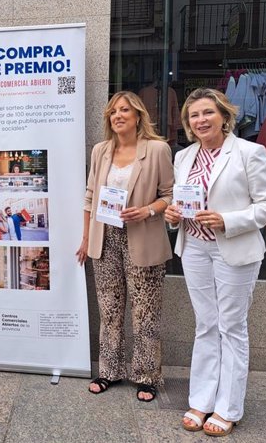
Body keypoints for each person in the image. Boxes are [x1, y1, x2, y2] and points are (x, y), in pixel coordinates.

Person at [164, 88, 266, 436]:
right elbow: (182, 203)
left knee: (231, 326)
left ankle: (228, 407)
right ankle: (200, 399)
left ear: (224, 116)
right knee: (205, 324)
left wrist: (228, 220)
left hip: (234, 249)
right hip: (195, 248)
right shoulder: (183, 157)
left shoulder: (249, 152)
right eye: (194, 115)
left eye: (207, 113)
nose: (200, 120)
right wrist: (172, 215)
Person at [75, 90, 174, 402]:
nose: (118, 116)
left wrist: (147, 210)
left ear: (138, 116)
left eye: (125, 111)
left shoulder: (158, 150)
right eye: (113, 112)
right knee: (109, 311)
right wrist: (85, 237)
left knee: (145, 312)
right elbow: (90, 196)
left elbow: (170, 195)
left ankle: (146, 375)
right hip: (105, 238)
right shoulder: (101, 150)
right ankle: (108, 371)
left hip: (142, 236)